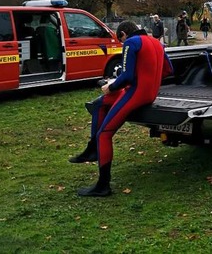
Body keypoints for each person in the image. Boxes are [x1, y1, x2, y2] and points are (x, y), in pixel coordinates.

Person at [69, 20, 173, 197]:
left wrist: (111, 87)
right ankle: (91, 149)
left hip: (136, 93)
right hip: (148, 92)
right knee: (99, 104)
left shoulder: (131, 43)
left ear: (124, 34)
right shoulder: (156, 42)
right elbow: (168, 70)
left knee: (105, 134)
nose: (122, 43)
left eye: (121, 40)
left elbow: (127, 75)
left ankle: (103, 185)